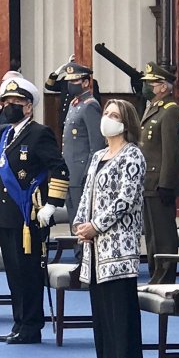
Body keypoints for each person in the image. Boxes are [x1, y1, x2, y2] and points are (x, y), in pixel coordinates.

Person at [0, 77, 69, 344]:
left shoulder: (39, 133)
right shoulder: (1, 133)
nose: (10, 106)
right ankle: (19, 322)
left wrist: (52, 205)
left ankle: (32, 326)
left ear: (28, 107)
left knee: (29, 272)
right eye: (6, 102)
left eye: (16, 102)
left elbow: (58, 169)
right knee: (13, 272)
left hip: (29, 215)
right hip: (5, 214)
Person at [73, 99, 145, 358]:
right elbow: (87, 193)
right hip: (94, 246)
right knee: (100, 304)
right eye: (106, 113)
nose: (108, 118)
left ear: (126, 122)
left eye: (114, 115)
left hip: (118, 243)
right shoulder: (97, 156)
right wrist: (81, 223)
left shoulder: (132, 155)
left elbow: (125, 199)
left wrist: (96, 225)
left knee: (119, 304)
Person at [139, 62, 179, 284]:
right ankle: (156, 274)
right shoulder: (153, 107)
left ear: (163, 87)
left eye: (150, 83)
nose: (147, 87)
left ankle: (165, 277)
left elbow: (171, 151)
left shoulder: (170, 110)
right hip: (148, 182)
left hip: (159, 183)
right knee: (152, 235)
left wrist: (166, 182)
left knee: (163, 235)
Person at [60, 62, 104, 238]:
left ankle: (84, 261)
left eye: (75, 80)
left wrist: (89, 172)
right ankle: (79, 261)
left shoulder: (90, 105)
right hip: (71, 171)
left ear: (86, 82)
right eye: (69, 80)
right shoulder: (74, 104)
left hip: (82, 171)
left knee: (82, 219)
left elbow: (97, 143)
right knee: (73, 218)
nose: (71, 84)